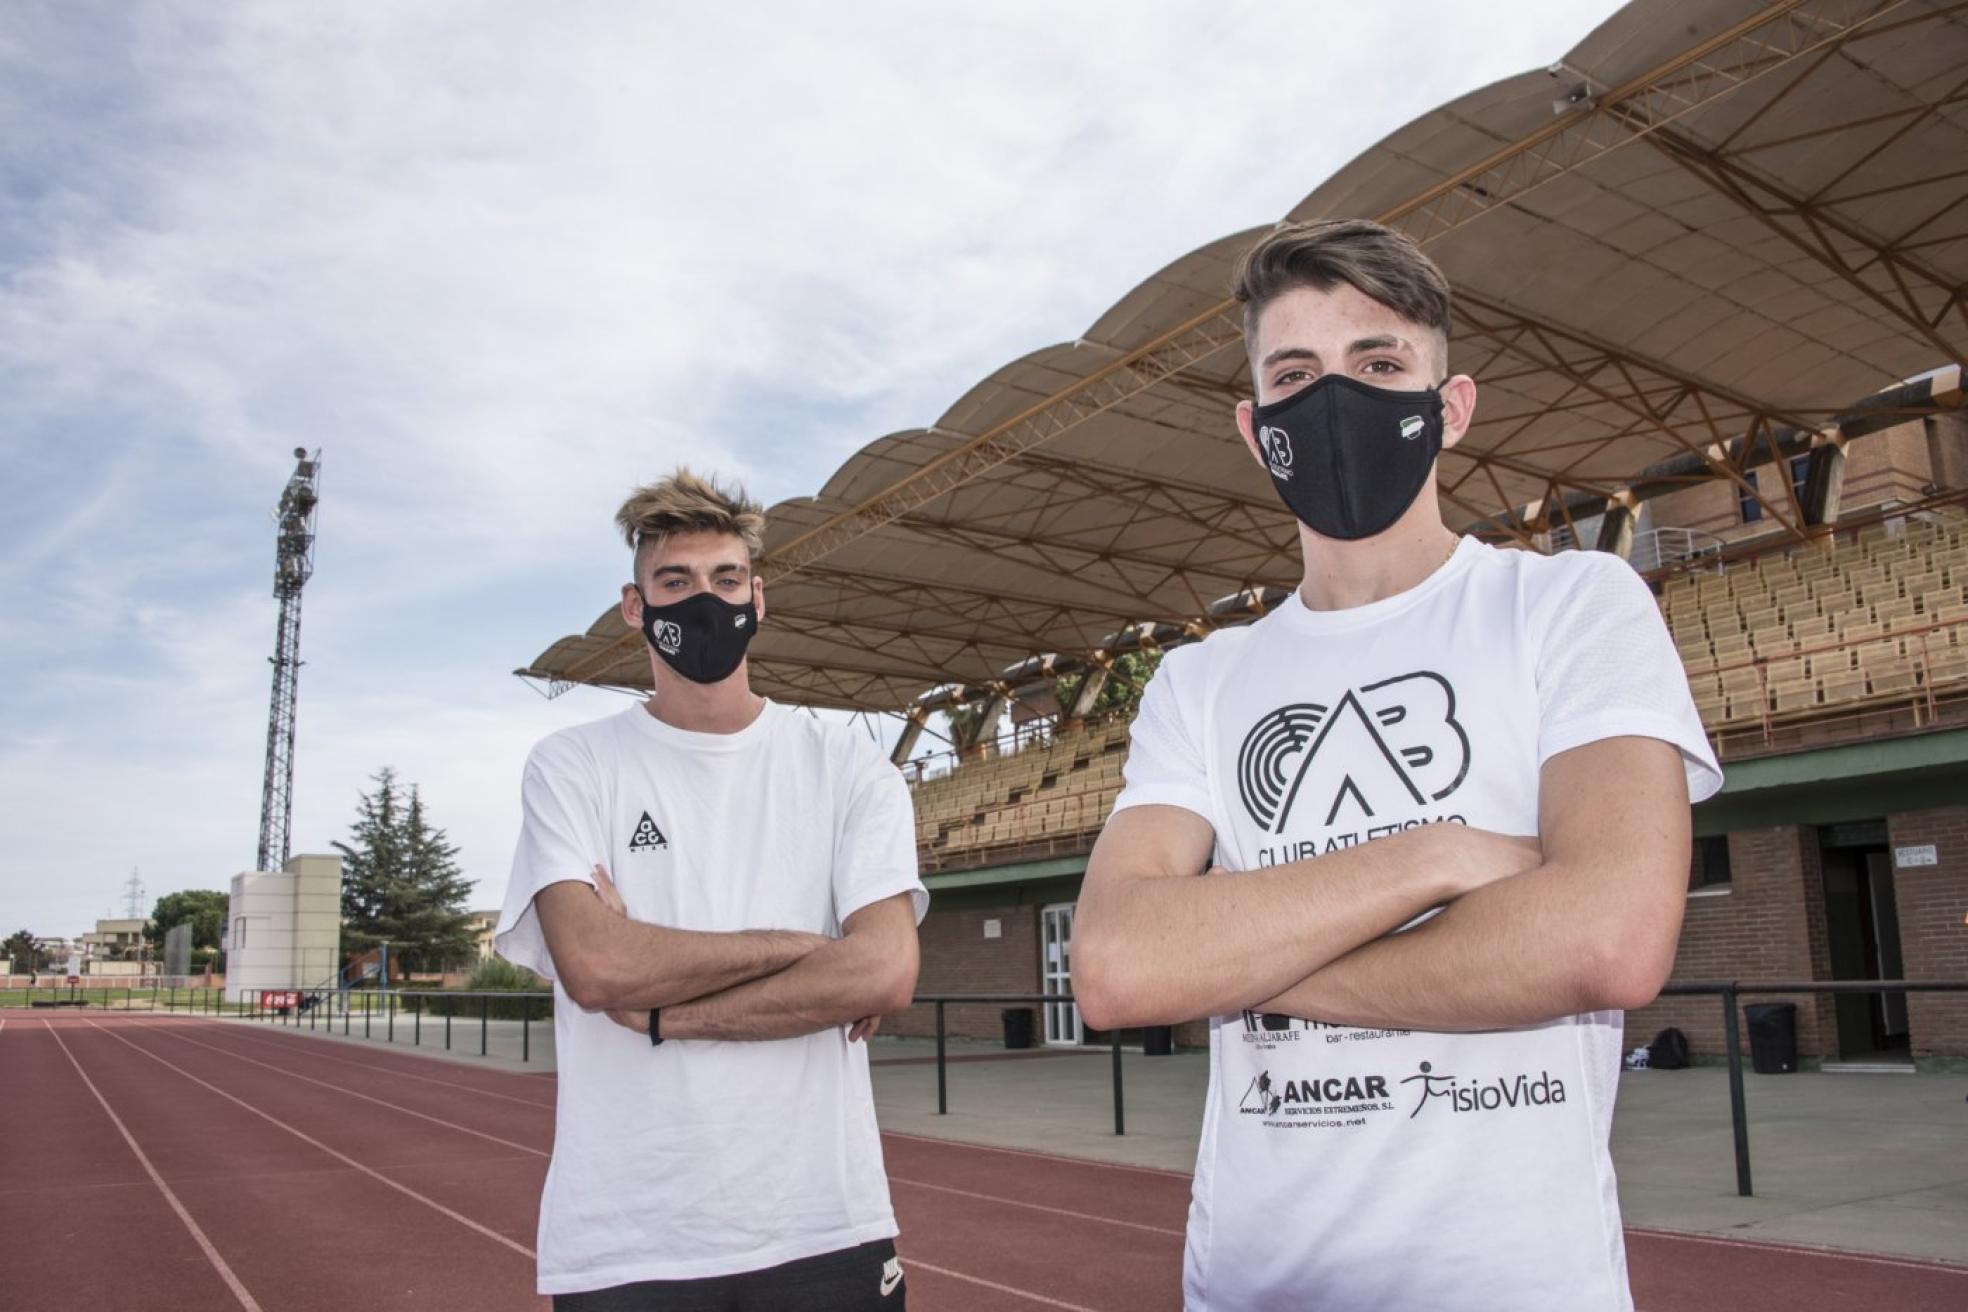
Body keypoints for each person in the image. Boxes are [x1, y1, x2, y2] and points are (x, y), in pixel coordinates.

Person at [1072, 219, 1723, 1312]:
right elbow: (1117, 970)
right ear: (1254, 426)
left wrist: (1236, 959)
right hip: (1254, 1286)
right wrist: (1436, 855)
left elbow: (1609, 939)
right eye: (1295, 374)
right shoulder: (1202, 682)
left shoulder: (1570, 604)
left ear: (1450, 405)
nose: (1337, 399)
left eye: (1379, 364)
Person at [493, 469, 926, 1310]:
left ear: (758, 598)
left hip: (824, 1225)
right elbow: (594, 967)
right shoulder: (574, 765)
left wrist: (664, 1013)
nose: (705, 602)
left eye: (726, 581)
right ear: (634, 606)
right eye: (676, 582)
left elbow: (881, 975)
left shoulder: (846, 765)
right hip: (629, 1240)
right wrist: (808, 949)